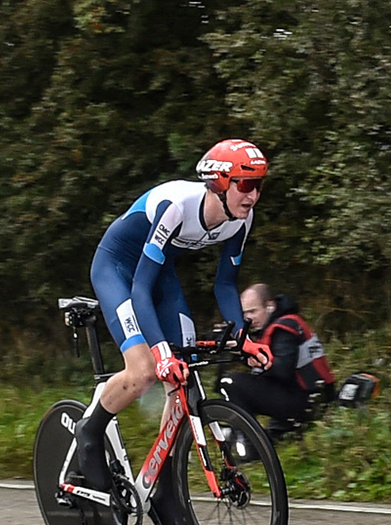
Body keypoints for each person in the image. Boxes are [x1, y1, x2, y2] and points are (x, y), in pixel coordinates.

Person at [72, 139, 272, 494]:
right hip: (118, 270)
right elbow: (139, 290)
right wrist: (161, 352)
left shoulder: (242, 219)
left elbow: (225, 285)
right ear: (221, 183)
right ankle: (90, 429)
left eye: (258, 185)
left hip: (158, 274)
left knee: (185, 374)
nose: (253, 195)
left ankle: (161, 485)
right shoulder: (177, 206)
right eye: (245, 184)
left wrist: (243, 339)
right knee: (146, 371)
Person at [218, 283, 336, 429]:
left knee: (231, 382)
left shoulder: (283, 328)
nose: (249, 318)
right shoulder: (279, 323)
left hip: (309, 401)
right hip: (312, 396)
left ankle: (247, 442)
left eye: (253, 311)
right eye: (245, 313)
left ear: (270, 306)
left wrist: (249, 354)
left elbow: (282, 371)